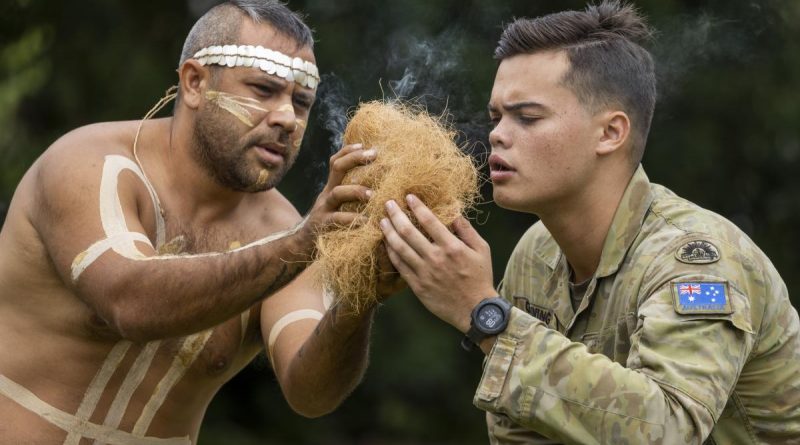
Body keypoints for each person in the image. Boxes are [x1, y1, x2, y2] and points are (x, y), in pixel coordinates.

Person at [380, 1, 800, 443]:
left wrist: (486, 315)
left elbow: (669, 430)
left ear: (610, 133)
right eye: (496, 117)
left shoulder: (695, 259)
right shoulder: (535, 254)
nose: (497, 134)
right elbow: (519, 432)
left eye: (527, 117)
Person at [0, 1, 400, 443]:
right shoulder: (88, 165)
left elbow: (310, 394)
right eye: (263, 89)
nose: (287, 118)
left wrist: (361, 298)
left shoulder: (287, 232)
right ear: (194, 83)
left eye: (301, 102)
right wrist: (302, 243)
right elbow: (130, 303)